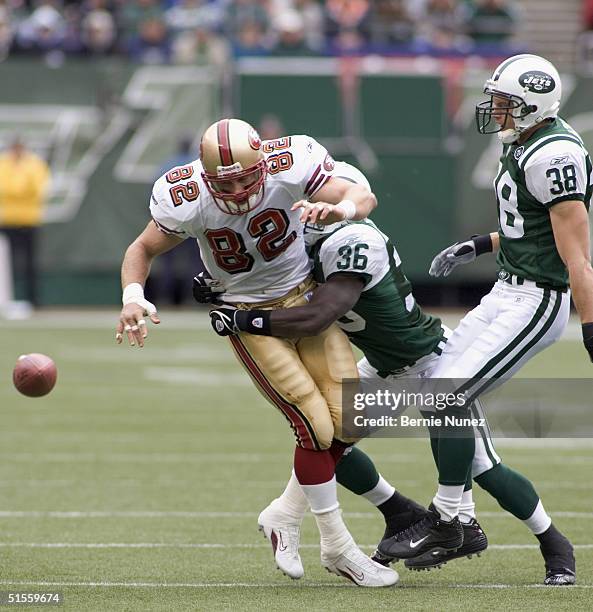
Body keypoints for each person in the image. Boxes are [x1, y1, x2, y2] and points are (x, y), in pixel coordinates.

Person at [205, 162, 574, 585]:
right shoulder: (306, 238)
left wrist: (245, 321)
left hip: (429, 364)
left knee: (483, 468)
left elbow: (319, 314)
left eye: (319, 199)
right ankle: (398, 510)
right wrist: (216, 282)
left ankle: (553, 543)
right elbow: (263, 269)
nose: (305, 207)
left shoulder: (353, 241)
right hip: (385, 369)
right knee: (326, 439)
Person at [115, 118, 397, 587]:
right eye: (227, 182)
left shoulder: (291, 161)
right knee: (314, 425)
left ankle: (282, 516)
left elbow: (363, 197)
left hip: (305, 298)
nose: (242, 189)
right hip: (247, 314)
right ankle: (339, 547)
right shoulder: (184, 194)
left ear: (264, 161)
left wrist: (342, 210)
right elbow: (142, 248)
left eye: (248, 176)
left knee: (353, 417)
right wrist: (132, 296)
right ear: (206, 177)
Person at [375, 54, 591, 586]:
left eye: (504, 101)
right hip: (506, 290)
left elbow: (577, 255)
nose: (494, 109)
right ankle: (531, 538)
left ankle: (449, 516)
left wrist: (590, 329)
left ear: (532, 103)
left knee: (448, 394)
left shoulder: (554, 153)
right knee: (440, 398)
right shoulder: (523, 142)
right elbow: (528, 226)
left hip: (537, 300)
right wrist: (479, 244)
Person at [0, 137, 51, 307]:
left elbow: (38, 188)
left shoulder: (34, 164)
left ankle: (33, 301)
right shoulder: (3, 163)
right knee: (5, 263)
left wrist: (18, 187)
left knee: (30, 262)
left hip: (29, 220)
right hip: (6, 220)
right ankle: (6, 299)